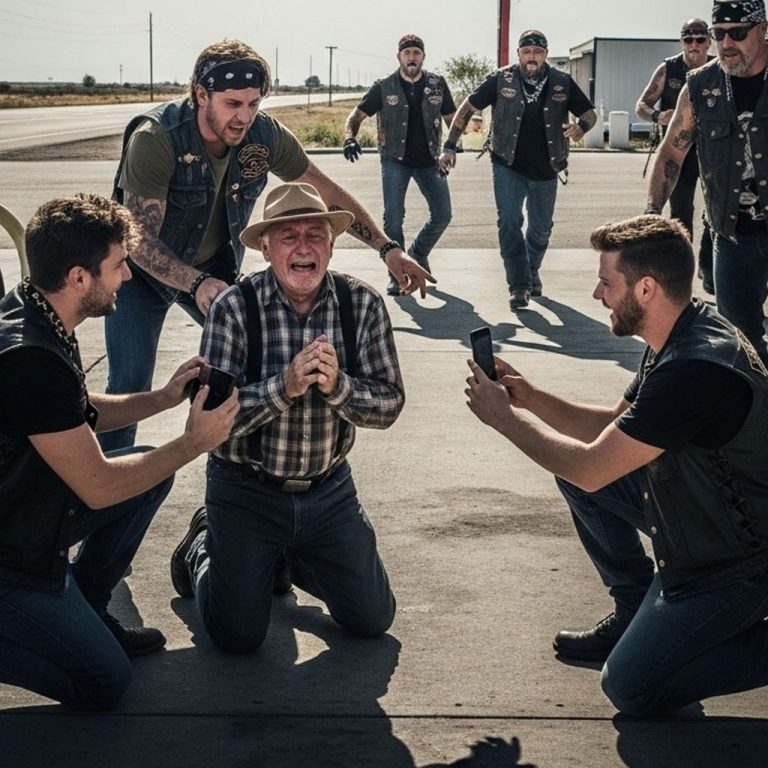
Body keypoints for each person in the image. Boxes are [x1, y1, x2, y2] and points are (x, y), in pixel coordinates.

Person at [465, 214, 768, 716]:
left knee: (630, 688)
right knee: (578, 477)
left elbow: (593, 465)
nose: (595, 294)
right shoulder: (683, 328)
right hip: (698, 517)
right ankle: (633, 609)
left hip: (738, 564)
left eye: (607, 282)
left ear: (646, 289)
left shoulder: (693, 371)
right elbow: (610, 427)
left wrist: (503, 421)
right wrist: (530, 398)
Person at [104, 38, 431, 451]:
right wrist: (195, 283)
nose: (244, 116)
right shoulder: (158, 138)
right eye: (233, 104)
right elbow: (137, 236)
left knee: (260, 363)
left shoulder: (263, 136)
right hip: (139, 273)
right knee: (129, 384)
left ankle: (251, 475)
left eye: (254, 103)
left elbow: (326, 194)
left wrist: (389, 249)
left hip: (213, 267)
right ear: (200, 95)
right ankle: (107, 494)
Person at [0, 195, 238, 710]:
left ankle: (87, 603)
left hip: (29, 520)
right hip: (13, 561)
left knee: (150, 470)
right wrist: (192, 443)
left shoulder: (33, 306)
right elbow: (99, 485)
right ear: (79, 277)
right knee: (104, 683)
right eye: (117, 264)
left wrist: (159, 399)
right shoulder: (30, 359)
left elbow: (73, 410)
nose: (128, 277)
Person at [170, 182, 403, 653]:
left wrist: (339, 387)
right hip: (245, 490)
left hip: (329, 491)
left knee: (373, 619)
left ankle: (282, 557)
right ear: (265, 248)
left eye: (315, 235)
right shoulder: (234, 309)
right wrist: (286, 386)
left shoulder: (363, 305)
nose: (303, 248)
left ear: (332, 246)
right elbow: (210, 426)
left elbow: (390, 404)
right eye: (289, 236)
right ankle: (202, 548)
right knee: (238, 638)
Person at [646, 0, 768, 364]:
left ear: (763, 29)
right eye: (719, 34)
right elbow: (670, 154)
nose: (726, 43)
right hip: (733, 232)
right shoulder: (701, 87)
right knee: (740, 343)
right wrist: (652, 213)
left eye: (738, 33)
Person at [439, 30, 596, 310]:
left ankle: (530, 271)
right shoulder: (501, 79)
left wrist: (580, 127)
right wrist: (450, 144)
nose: (532, 56)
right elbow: (467, 107)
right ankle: (519, 285)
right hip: (507, 163)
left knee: (541, 229)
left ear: (545, 54)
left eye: (537, 51)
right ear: (519, 54)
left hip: (548, 167)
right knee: (509, 223)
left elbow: (589, 114)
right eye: (526, 51)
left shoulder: (562, 82)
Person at [343, 34, 456, 295]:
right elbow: (357, 115)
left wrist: (451, 146)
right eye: (407, 53)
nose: (412, 57)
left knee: (443, 214)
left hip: (430, 160)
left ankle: (416, 252)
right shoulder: (384, 86)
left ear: (423, 56)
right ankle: (397, 274)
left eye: (417, 53)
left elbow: (452, 117)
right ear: (399, 57)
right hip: (395, 160)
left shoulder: (437, 85)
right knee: (393, 219)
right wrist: (350, 138)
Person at [635, 17, 715, 294]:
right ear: (681, 41)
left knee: (715, 212)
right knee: (681, 213)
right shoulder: (668, 69)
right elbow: (641, 106)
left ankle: (708, 264)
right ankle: (684, 277)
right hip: (679, 153)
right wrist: (658, 116)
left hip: (712, 153)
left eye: (700, 39)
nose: (694, 45)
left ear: (709, 41)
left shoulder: (721, 69)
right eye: (688, 39)